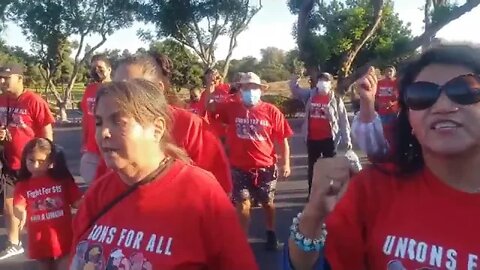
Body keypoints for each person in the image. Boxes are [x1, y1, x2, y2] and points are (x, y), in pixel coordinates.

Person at [285, 44, 480, 269]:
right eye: (422, 94)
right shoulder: (371, 189)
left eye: (464, 91)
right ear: (409, 119)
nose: (443, 106)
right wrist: (312, 216)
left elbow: (344, 123)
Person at [70, 79, 258, 269]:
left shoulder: (200, 192)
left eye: (118, 121)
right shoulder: (98, 194)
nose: (104, 133)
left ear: (157, 129)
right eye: (99, 122)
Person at [97, 54, 232, 194]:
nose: (122, 95)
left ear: (158, 88)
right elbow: (102, 187)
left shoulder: (190, 124)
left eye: (133, 87)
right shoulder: (110, 130)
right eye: (117, 87)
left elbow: (219, 188)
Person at [206, 72, 293, 251]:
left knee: (267, 203)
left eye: (254, 87)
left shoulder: (271, 111)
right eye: (246, 88)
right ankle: (242, 240)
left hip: (265, 167)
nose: (250, 91)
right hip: (239, 167)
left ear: (260, 90)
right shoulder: (231, 107)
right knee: (242, 204)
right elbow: (211, 108)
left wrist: (286, 163)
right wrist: (210, 86)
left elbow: (283, 138)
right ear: (240, 90)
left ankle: (270, 231)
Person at [0, 63, 55, 260]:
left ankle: (51, 242)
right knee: (9, 205)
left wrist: (48, 158)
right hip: (8, 163)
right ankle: (14, 243)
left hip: (32, 165)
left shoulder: (34, 101)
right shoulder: (1, 99)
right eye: (1, 78)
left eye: (6, 78)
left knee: (40, 205)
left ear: (20, 79)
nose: (2, 81)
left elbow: (46, 130)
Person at [13, 138, 82, 270]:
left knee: (65, 266)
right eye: (31, 161)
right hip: (39, 238)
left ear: (51, 162)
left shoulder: (61, 180)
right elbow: (18, 205)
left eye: (41, 161)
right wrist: (20, 214)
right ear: (25, 160)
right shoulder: (23, 185)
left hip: (63, 236)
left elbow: (77, 202)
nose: (36, 165)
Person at [289, 72, 352, 196]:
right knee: (313, 168)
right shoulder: (310, 95)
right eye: (321, 80)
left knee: (330, 168)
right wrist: (296, 77)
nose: (323, 82)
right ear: (317, 82)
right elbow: (295, 90)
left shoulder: (336, 99)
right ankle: (312, 194)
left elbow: (343, 119)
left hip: (329, 139)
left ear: (330, 83)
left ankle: (330, 194)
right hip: (312, 138)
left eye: (326, 80)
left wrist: (347, 139)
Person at [80, 55, 112, 185]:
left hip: (111, 145)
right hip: (92, 146)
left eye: (100, 67)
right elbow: (86, 118)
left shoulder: (117, 88)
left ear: (109, 69)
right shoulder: (90, 89)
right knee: (93, 184)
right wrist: (84, 141)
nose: (96, 71)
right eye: (93, 68)